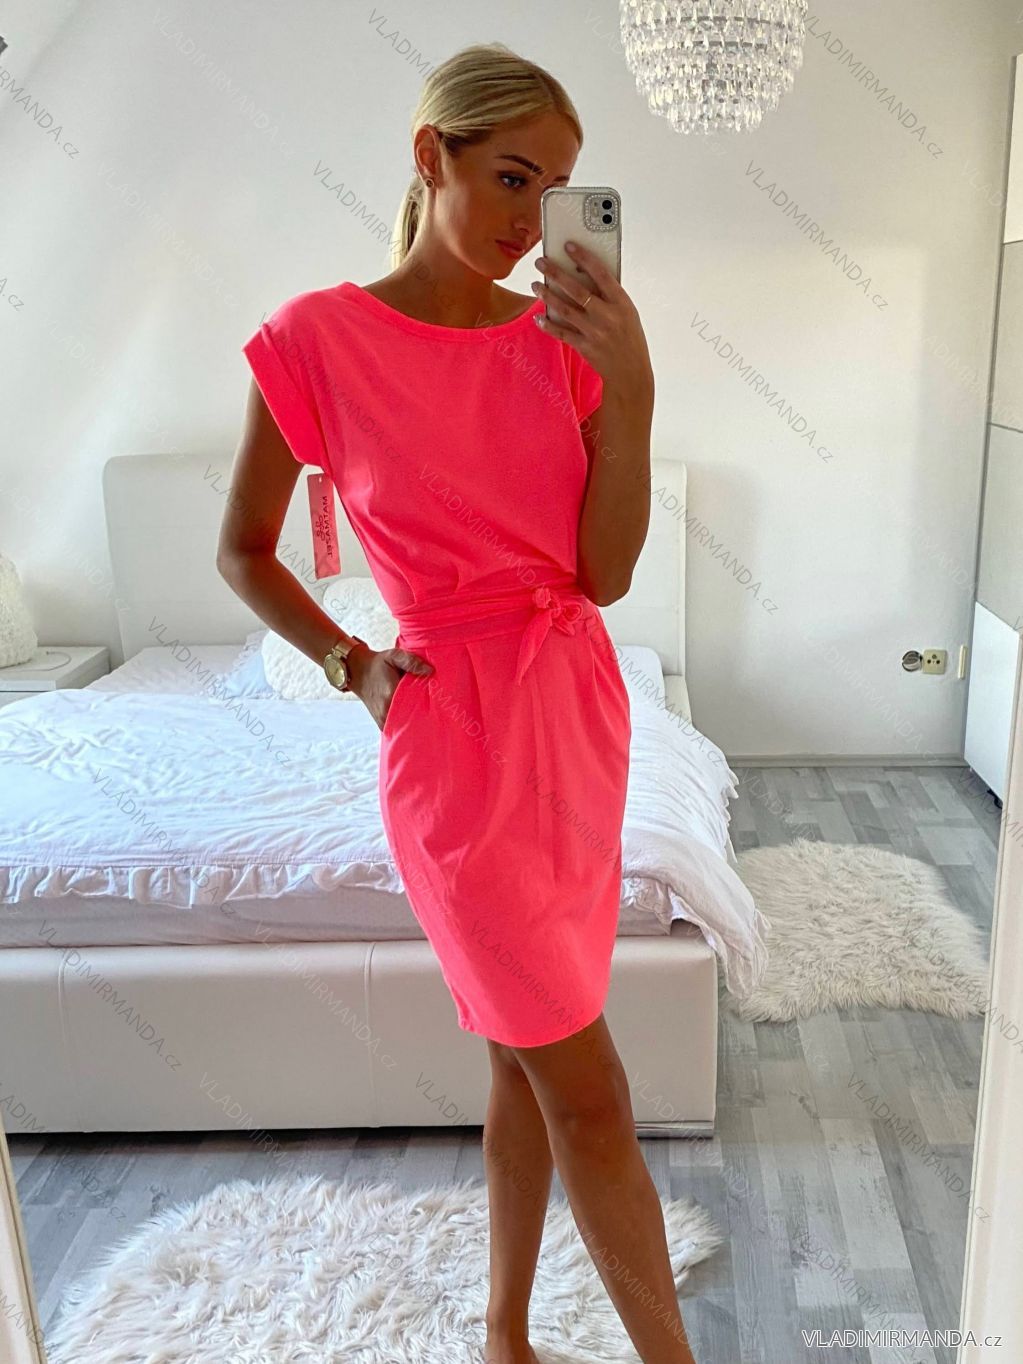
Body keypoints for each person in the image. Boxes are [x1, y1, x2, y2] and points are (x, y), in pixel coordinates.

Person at [219, 40, 697, 1364]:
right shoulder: (317, 340)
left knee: (519, 1057)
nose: (531, 217)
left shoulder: (564, 345)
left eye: (557, 188)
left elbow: (602, 574)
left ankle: (504, 1335)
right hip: (455, 755)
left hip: (575, 720)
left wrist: (633, 391)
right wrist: (351, 665)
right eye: (512, 176)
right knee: (589, 1091)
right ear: (431, 156)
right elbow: (245, 550)